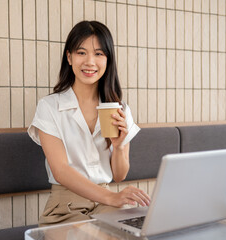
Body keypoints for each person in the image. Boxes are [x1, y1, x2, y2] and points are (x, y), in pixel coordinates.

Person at [28, 20, 150, 227]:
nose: (90, 62)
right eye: (81, 52)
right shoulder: (49, 107)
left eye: (99, 54)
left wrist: (119, 146)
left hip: (107, 205)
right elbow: (61, 171)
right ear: (69, 57)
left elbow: (119, 176)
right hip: (65, 207)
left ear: (108, 59)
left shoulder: (120, 109)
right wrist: (112, 197)